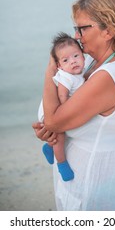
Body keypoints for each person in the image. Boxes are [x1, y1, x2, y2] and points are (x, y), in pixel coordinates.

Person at [32, 0, 115, 211]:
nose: (76, 36)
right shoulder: (93, 64)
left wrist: (49, 70)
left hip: (96, 190)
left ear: (108, 30)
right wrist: (49, 130)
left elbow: (54, 120)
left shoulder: (109, 76)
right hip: (82, 182)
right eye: (75, 29)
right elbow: (58, 118)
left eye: (82, 28)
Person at [38, 32, 85, 181]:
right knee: (60, 133)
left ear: (83, 55)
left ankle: (49, 147)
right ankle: (62, 163)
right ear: (59, 66)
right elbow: (62, 96)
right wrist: (66, 114)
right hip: (52, 110)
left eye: (76, 56)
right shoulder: (66, 77)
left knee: (60, 133)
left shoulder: (79, 73)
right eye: (66, 60)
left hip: (60, 107)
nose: (73, 62)